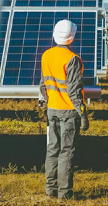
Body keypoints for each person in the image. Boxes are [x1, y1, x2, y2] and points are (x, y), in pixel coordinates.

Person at [39, 19, 90, 199]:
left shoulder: (46, 55)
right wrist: (82, 114)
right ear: (72, 37)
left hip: (52, 109)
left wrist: (48, 101)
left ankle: (50, 189)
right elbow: (74, 91)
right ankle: (65, 193)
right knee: (66, 152)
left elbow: (43, 84)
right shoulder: (72, 59)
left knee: (52, 149)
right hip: (68, 112)